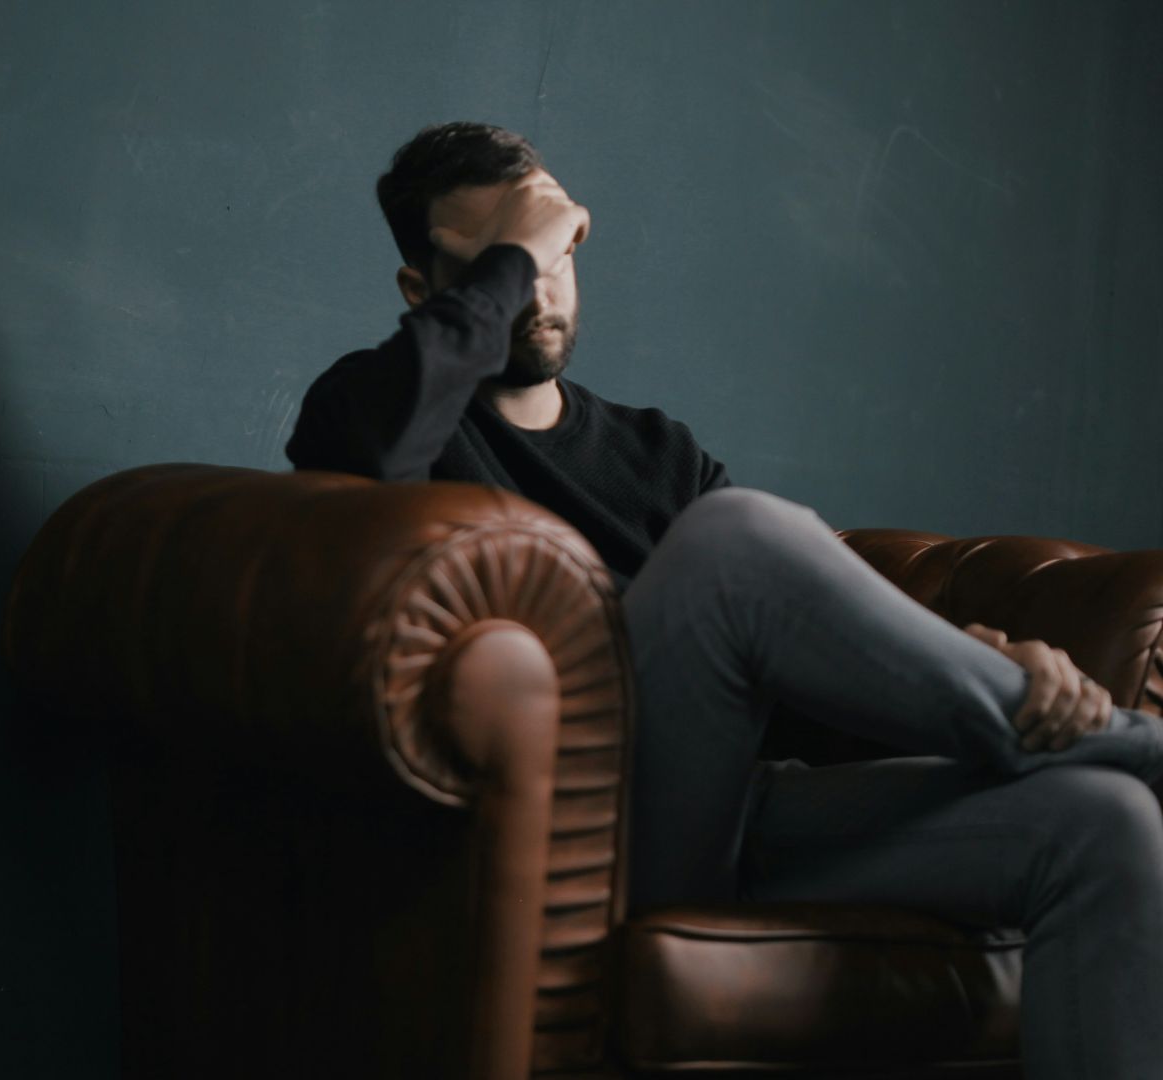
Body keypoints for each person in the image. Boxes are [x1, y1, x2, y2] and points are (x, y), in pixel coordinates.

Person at [285, 121, 1163, 1079]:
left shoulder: (658, 451)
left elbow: (803, 647)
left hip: (740, 816)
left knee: (1106, 822)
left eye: (556, 250)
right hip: (590, 839)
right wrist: (519, 246)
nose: (538, 285)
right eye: (505, 260)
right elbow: (368, 454)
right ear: (424, 291)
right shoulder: (376, 412)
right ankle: (1128, 740)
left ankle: (1086, 745)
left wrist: (981, 660)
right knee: (734, 536)